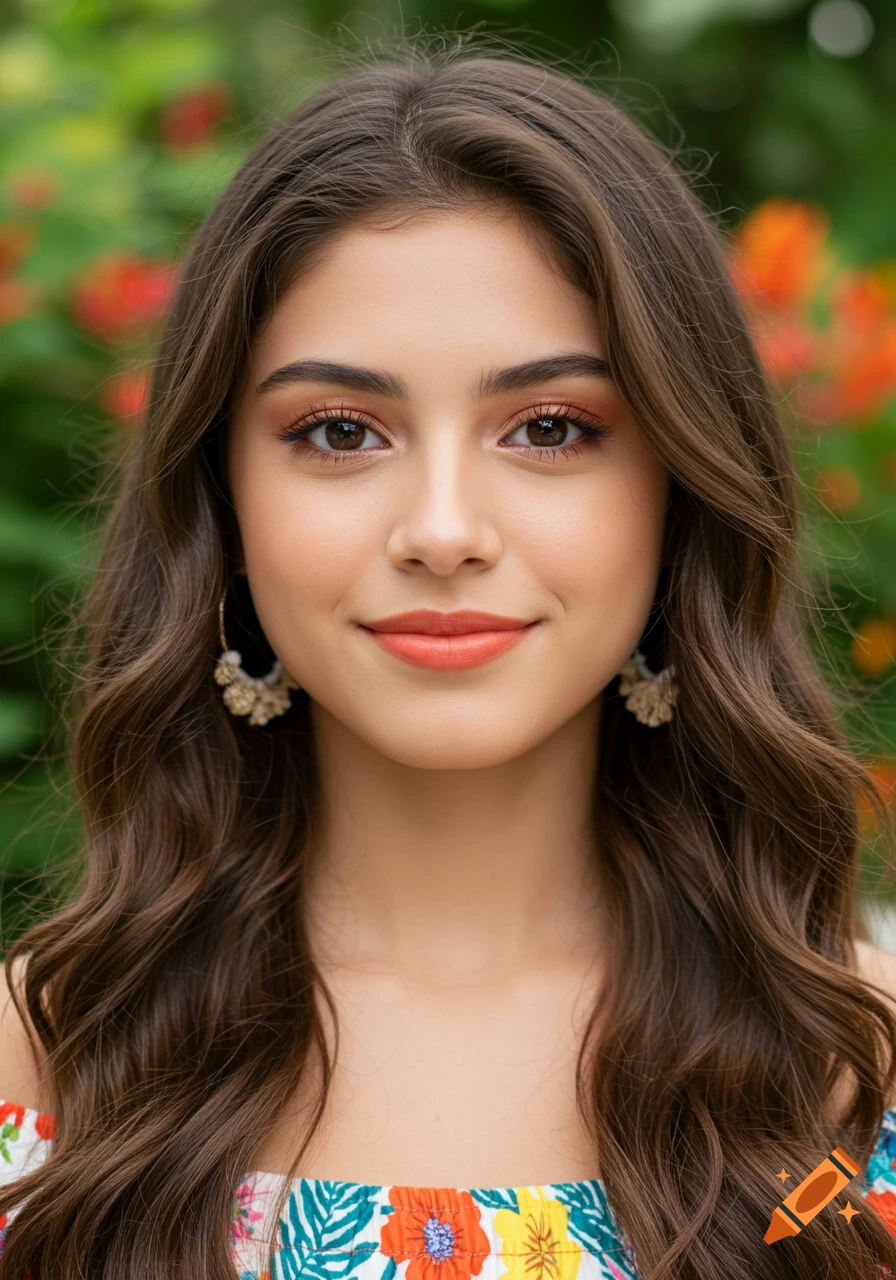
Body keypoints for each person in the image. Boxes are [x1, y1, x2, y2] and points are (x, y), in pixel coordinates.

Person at [2, 37, 896, 1280]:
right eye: (338, 432)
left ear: (680, 488)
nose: (440, 529)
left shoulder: (860, 1077)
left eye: (549, 427)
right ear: (222, 501)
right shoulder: (39, 1066)